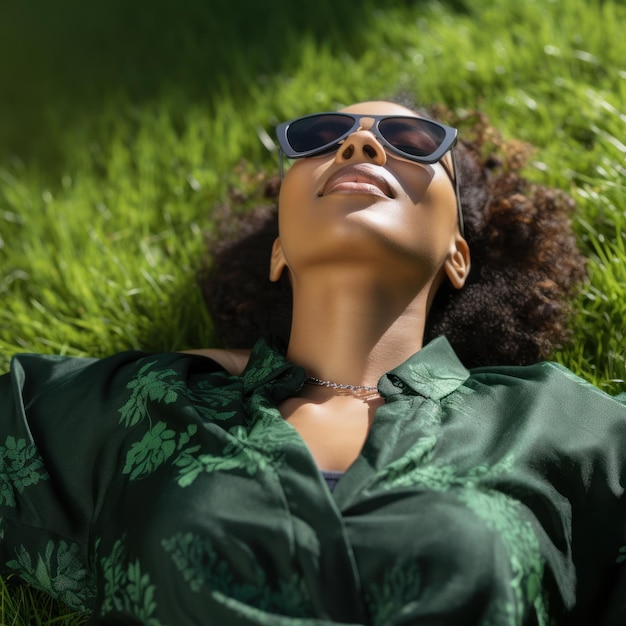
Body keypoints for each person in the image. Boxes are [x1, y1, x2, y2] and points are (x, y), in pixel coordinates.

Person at [0, 99, 624, 626]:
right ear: (277, 250)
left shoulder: (552, 420)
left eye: (411, 140)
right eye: (320, 138)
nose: (360, 146)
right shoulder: (151, 400)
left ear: (458, 255)